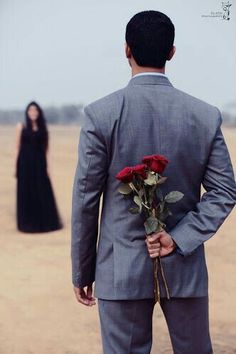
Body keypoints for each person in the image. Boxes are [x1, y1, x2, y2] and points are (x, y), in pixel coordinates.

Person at [71, 10, 236, 354]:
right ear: (171, 52)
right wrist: (179, 238)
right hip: (185, 265)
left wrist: (82, 271)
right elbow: (224, 191)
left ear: (126, 50)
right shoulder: (204, 116)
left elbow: (86, 200)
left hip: (120, 269)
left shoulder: (101, 115)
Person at [15, 101, 63, 233]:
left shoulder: (43, 128)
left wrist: (49, 167)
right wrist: (16, 167)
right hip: (25, 165)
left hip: (39, 164)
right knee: (26, 193)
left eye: (35, 110)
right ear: (27, 113)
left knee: (41, 192)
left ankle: (44, 223)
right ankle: (27, 224)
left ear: (39, 112)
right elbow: (17, 148)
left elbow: (47, 150)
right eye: (30, 111)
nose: (33, 113)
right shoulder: (21, 126)